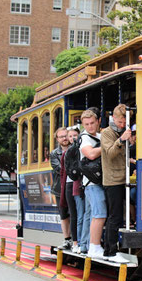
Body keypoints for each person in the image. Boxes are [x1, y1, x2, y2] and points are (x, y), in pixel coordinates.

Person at [101, 104, 132, 262]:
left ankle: (118, 248)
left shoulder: (123, 132)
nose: (122, 125)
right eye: (120, 122)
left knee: (124, 214)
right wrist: (121, 140)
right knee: (115, 216)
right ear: (114, 118)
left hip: (125, 178)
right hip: (112, 180)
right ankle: (110, 251)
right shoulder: (107, 133)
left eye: (125, 122)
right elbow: (110, 153)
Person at [79, 108, 107, 260]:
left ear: (98, 122)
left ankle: (95, 244)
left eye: (92, 123)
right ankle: (94, 247)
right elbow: (89, 154)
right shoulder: (84, 138)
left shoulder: (100, 136)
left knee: (97, 214)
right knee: (99, 214)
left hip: (103, 180)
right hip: (91, 183)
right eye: (86, 124)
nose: (90, 126)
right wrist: (107, 146)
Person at [50, 127, 72, 249]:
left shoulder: (75, 149)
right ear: (57, 139)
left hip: (74, 186)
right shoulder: (54, 153)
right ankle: (67, 239)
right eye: (61, 136)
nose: (64, 138)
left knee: (74, 213)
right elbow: (59, 169)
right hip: (60, 189)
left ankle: (75, 239)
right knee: (63, 214)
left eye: (65, 135)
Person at [68, 126, 89, 255]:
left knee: (87, 215)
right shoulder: (72, 152)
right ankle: (79, 242)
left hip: (87, 184)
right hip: (78, 186)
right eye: (71, 136)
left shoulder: (84, 147)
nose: (74, 138)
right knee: (80, 215)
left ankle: (85, 242)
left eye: (76, 135)